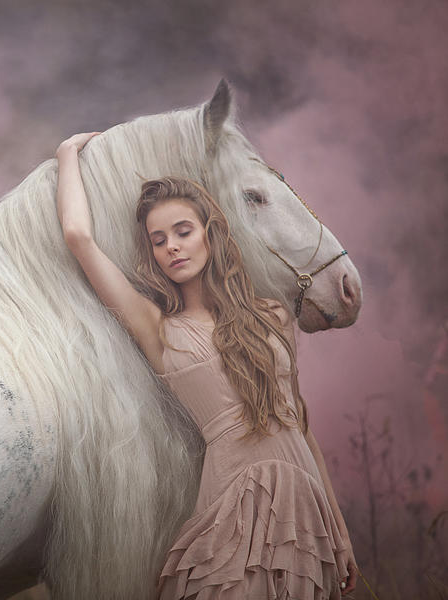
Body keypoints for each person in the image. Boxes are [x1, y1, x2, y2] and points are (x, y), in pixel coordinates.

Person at [55, 131, 359, 599]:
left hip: (303, 515)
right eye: (159, 240)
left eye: (183, 231)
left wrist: (337, 532)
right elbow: (78, 237)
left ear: (209, 235)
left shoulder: (272, 316)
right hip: (232, 515)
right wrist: (68, 154)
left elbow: (300, 428)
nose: (172, 247)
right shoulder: (158, 329)